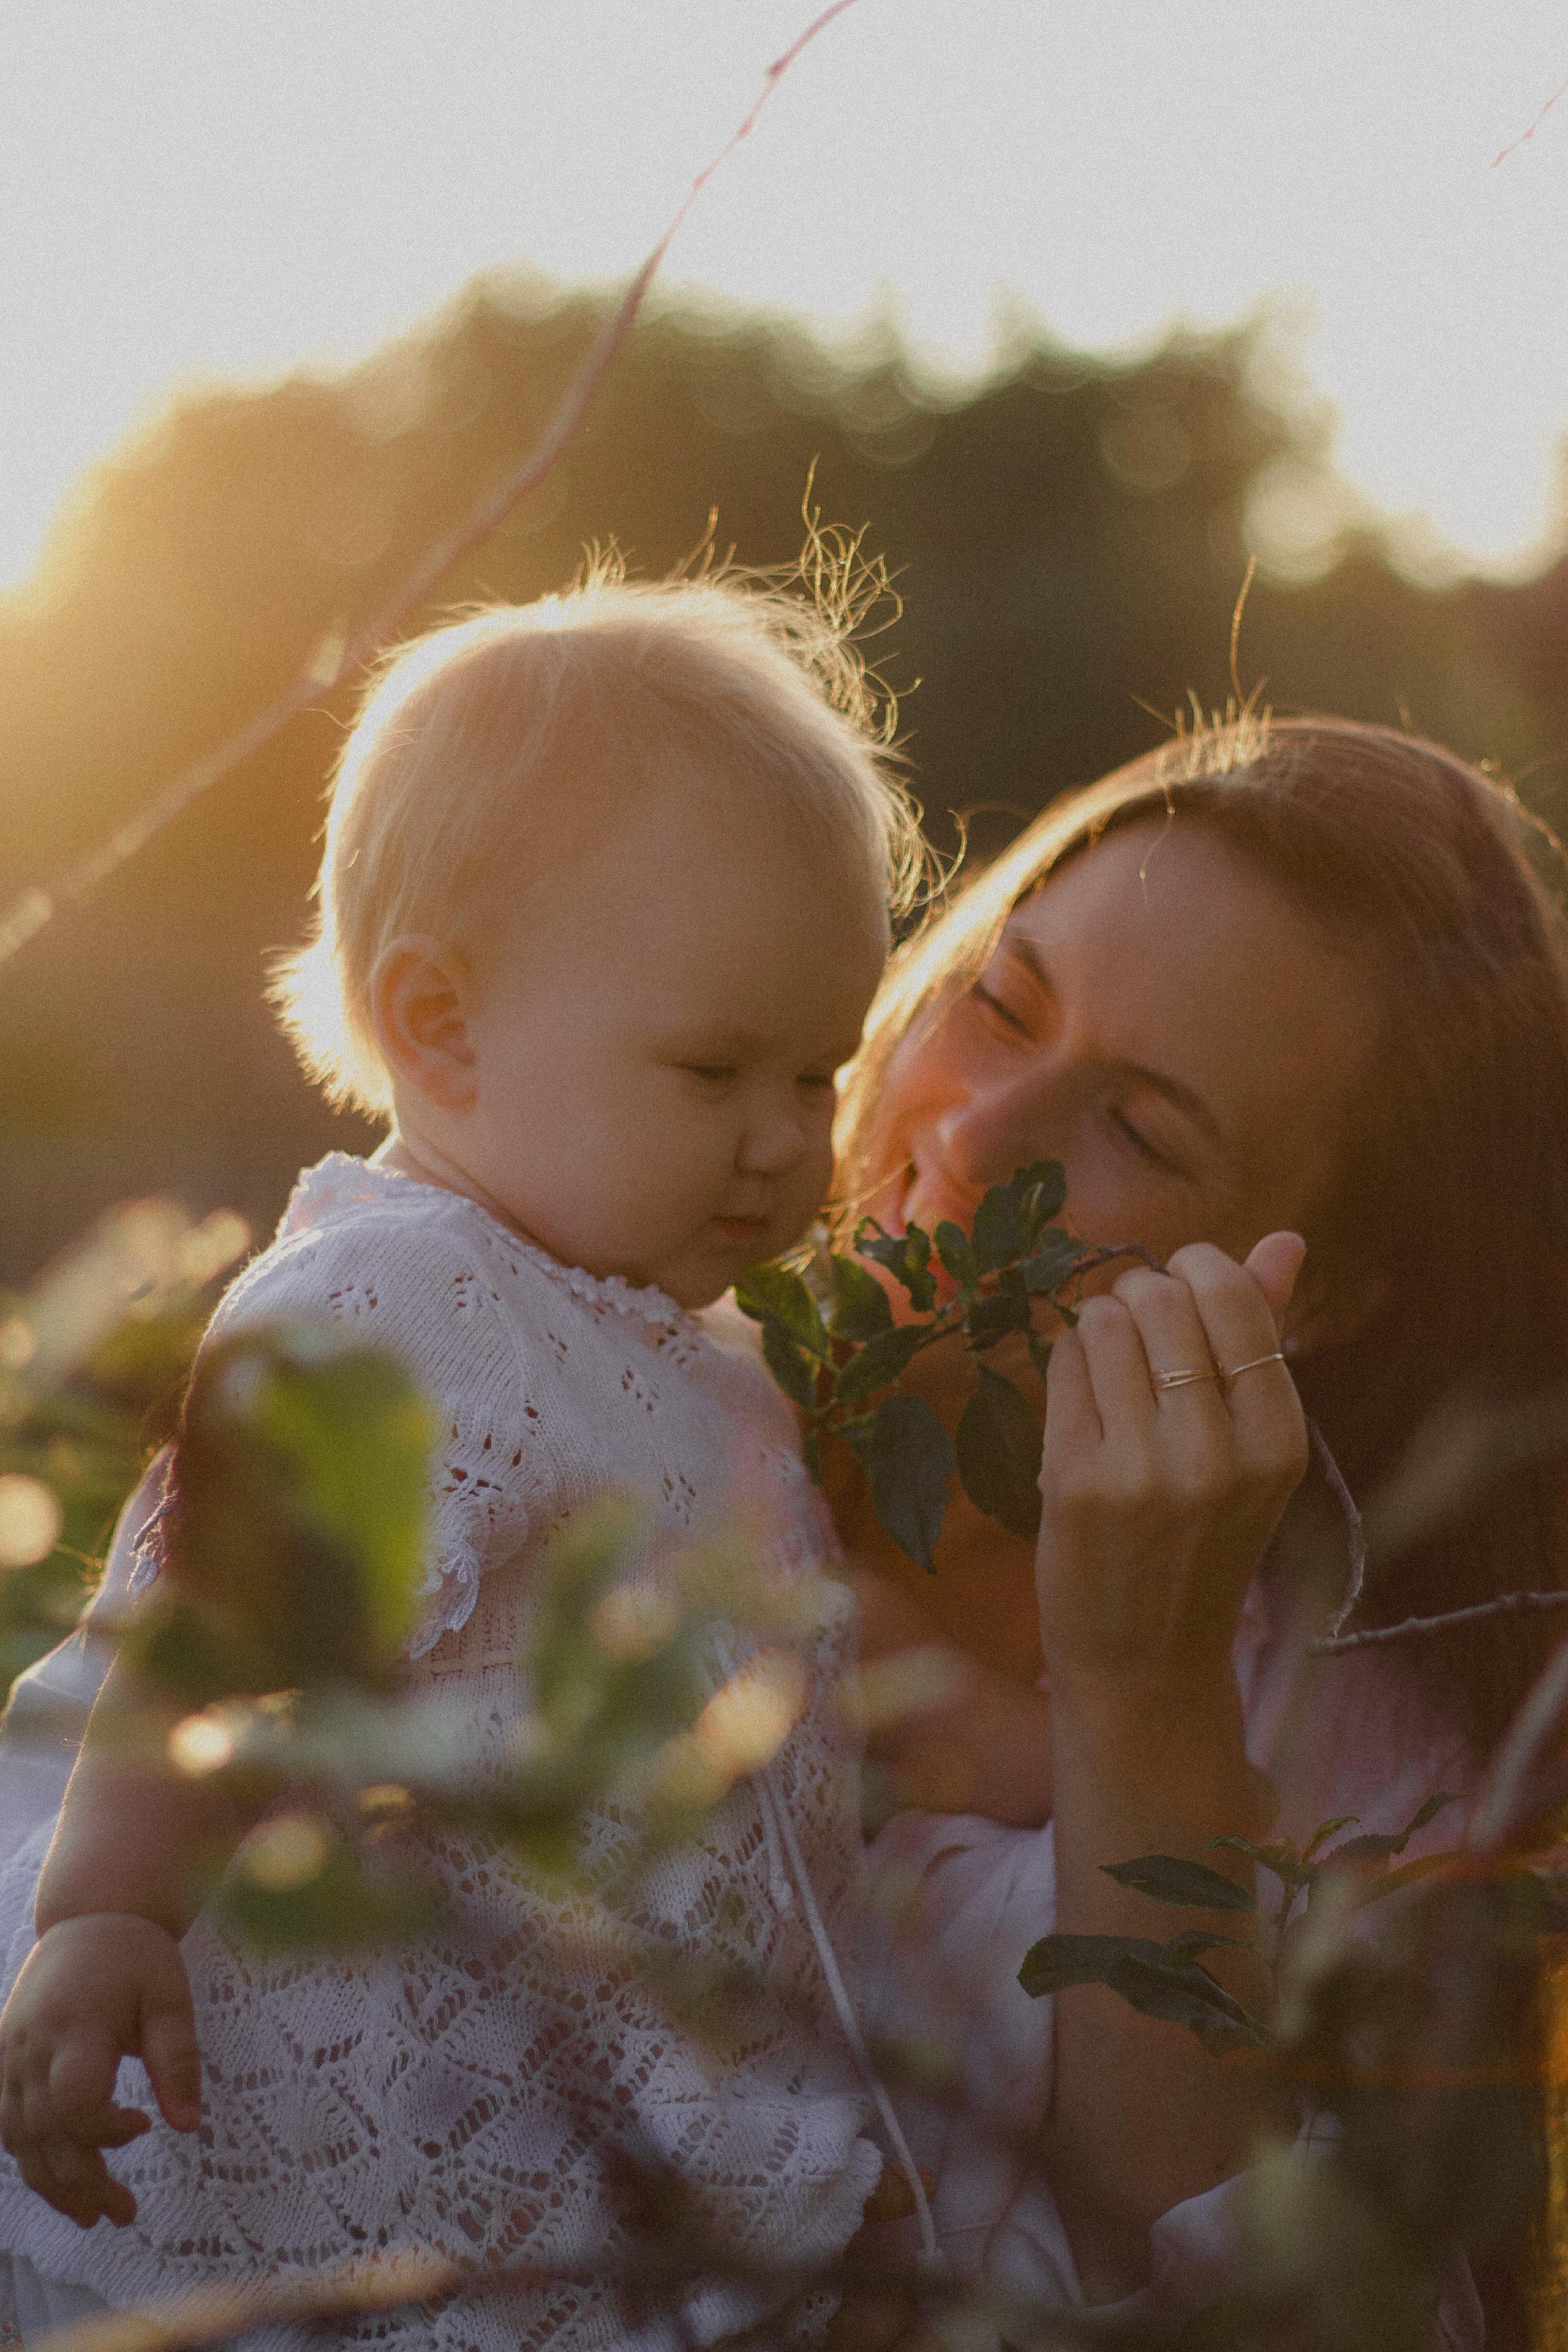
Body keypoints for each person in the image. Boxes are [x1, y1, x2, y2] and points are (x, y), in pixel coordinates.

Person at [0, 573, 927, 2350]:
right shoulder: (396, 1302)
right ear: (440, 1029)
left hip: (562, 2145)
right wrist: (107, 1906)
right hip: (348, 2160)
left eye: (816, 1074)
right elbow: (199, 1625)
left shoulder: (699, 1353)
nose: (782, 1144)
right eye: (715, 1067)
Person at [825, 715, 1568, 2340]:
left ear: (1329, 1294)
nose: (968, 1136)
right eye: (999, 1003)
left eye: (1141, 1133)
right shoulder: (566, 1378)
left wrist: (1140, 1693)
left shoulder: (1367, 1772)